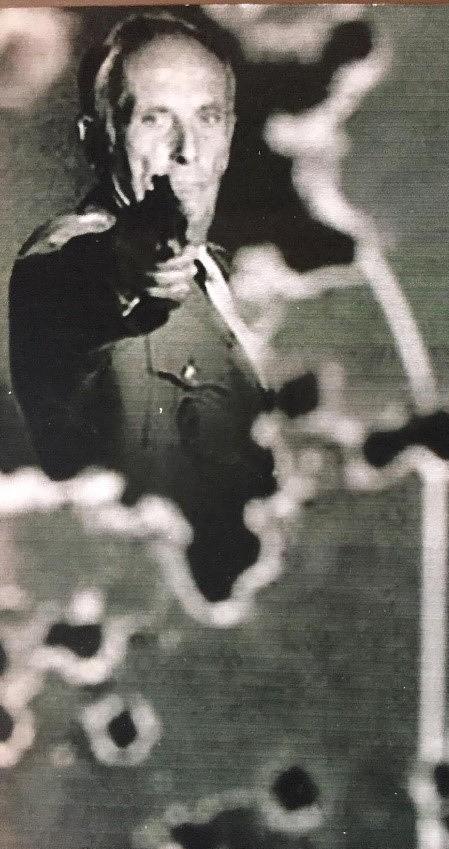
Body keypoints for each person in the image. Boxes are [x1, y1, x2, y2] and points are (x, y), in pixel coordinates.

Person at [9, 13, 276, 604]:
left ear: (230, 137)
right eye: (154, 120)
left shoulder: (226, 282)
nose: (186, 151)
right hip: (138, 611)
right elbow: (91, 278)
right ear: (97, 139)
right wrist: (136, 265)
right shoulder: (59, 260)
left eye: (207, 118)